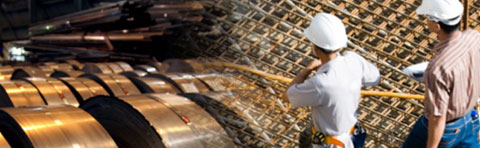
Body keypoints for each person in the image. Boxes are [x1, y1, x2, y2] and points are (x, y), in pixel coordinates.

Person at [284, 13, 381, 148]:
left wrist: (308, 68)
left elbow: (288, 95)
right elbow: (375, 78)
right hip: (352, 134)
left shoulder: (320, 84)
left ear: (316, 48)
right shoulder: (353, 60)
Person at [402, 0, 480, 147]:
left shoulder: (437, 69)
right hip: (470, 118)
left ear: (437, 27)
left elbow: (438, 118)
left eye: (428, 18)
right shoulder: (473, 37)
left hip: (447, 129)